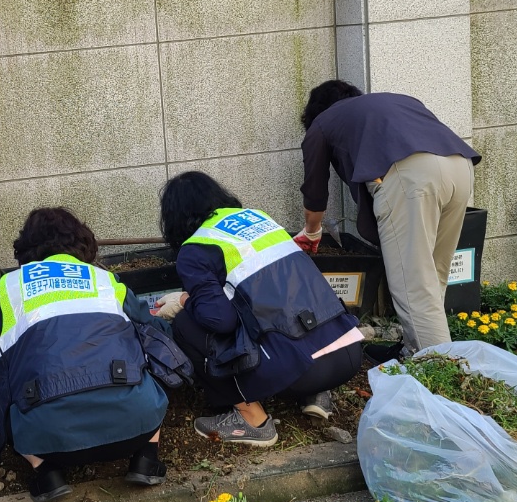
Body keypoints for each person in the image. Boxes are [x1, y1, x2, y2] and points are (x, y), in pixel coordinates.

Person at [0, 207, 170, 502]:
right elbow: (153, 326)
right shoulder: (105, 280)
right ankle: (146, 458)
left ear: (26, 248)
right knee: (149, 371)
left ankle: (45, 472)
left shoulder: (11, 286)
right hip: (133, 425)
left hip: (47, 437)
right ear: (82, 242)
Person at [153, 172, 362, 443]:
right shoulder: (259, 219)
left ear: (175, 218)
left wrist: (184, 301)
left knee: (185, 324)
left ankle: (252, 419)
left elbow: (221, 321)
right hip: (347, 354)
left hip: (301, 371)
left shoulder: (194, 249)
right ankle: (317, 395)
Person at [295, 82, 480, 354]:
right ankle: (414, 351)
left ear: (315, 111)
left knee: (412, 284)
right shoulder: (396, 102)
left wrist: (311, 232)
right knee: (433, 272)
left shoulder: (322, 123)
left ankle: (440, 372)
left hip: (412, 178)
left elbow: (314, 191)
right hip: (459, 167)